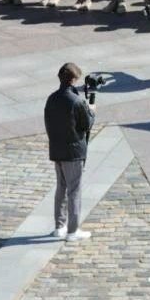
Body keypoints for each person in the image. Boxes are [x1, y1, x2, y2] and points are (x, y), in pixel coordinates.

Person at [44, 62, 95, 243]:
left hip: (57, 149)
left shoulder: (52, 98)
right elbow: (86, 124)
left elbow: (48, 123)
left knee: (61, 187)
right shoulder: (77, 101)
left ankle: (60, 226)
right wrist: (91, 111)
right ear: (73, 80)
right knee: (74, 190)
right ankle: (73, 231)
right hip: (73, 152)